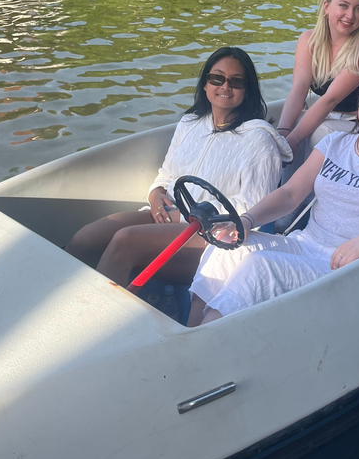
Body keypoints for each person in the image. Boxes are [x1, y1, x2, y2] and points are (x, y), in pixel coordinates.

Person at [187, 71, 359, 325]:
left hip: (345, 267)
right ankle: (191, 332)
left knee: (260, 266)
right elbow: (291, 194)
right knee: (226, 245)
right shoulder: (334, 143)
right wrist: (246, 220)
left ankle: (201, 347)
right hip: (305, 245)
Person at [65, 47, 293, 287]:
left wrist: (184, 216)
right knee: (85, 238)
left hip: (213, 238)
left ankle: (99, 318)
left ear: (247, 92)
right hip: (167, 219)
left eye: (236, 82)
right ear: (205, 84)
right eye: (217, 78)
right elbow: (166, 175)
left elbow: (252, 207)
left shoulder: (259, 140)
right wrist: (155, 195)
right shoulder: (190, 123)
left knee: (125, 241)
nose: (225, 87)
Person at [276, 0, 359, 160]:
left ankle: (308, 188)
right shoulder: (308, 40)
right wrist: (282, 132)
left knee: (319, 132)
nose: (350, 15)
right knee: (289, 128)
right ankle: (285, 188)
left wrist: (291, 142)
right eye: (343, 5)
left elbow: (330, 99)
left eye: (358, 9)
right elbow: (299, 89)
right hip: (330, 116)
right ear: (326, 6)